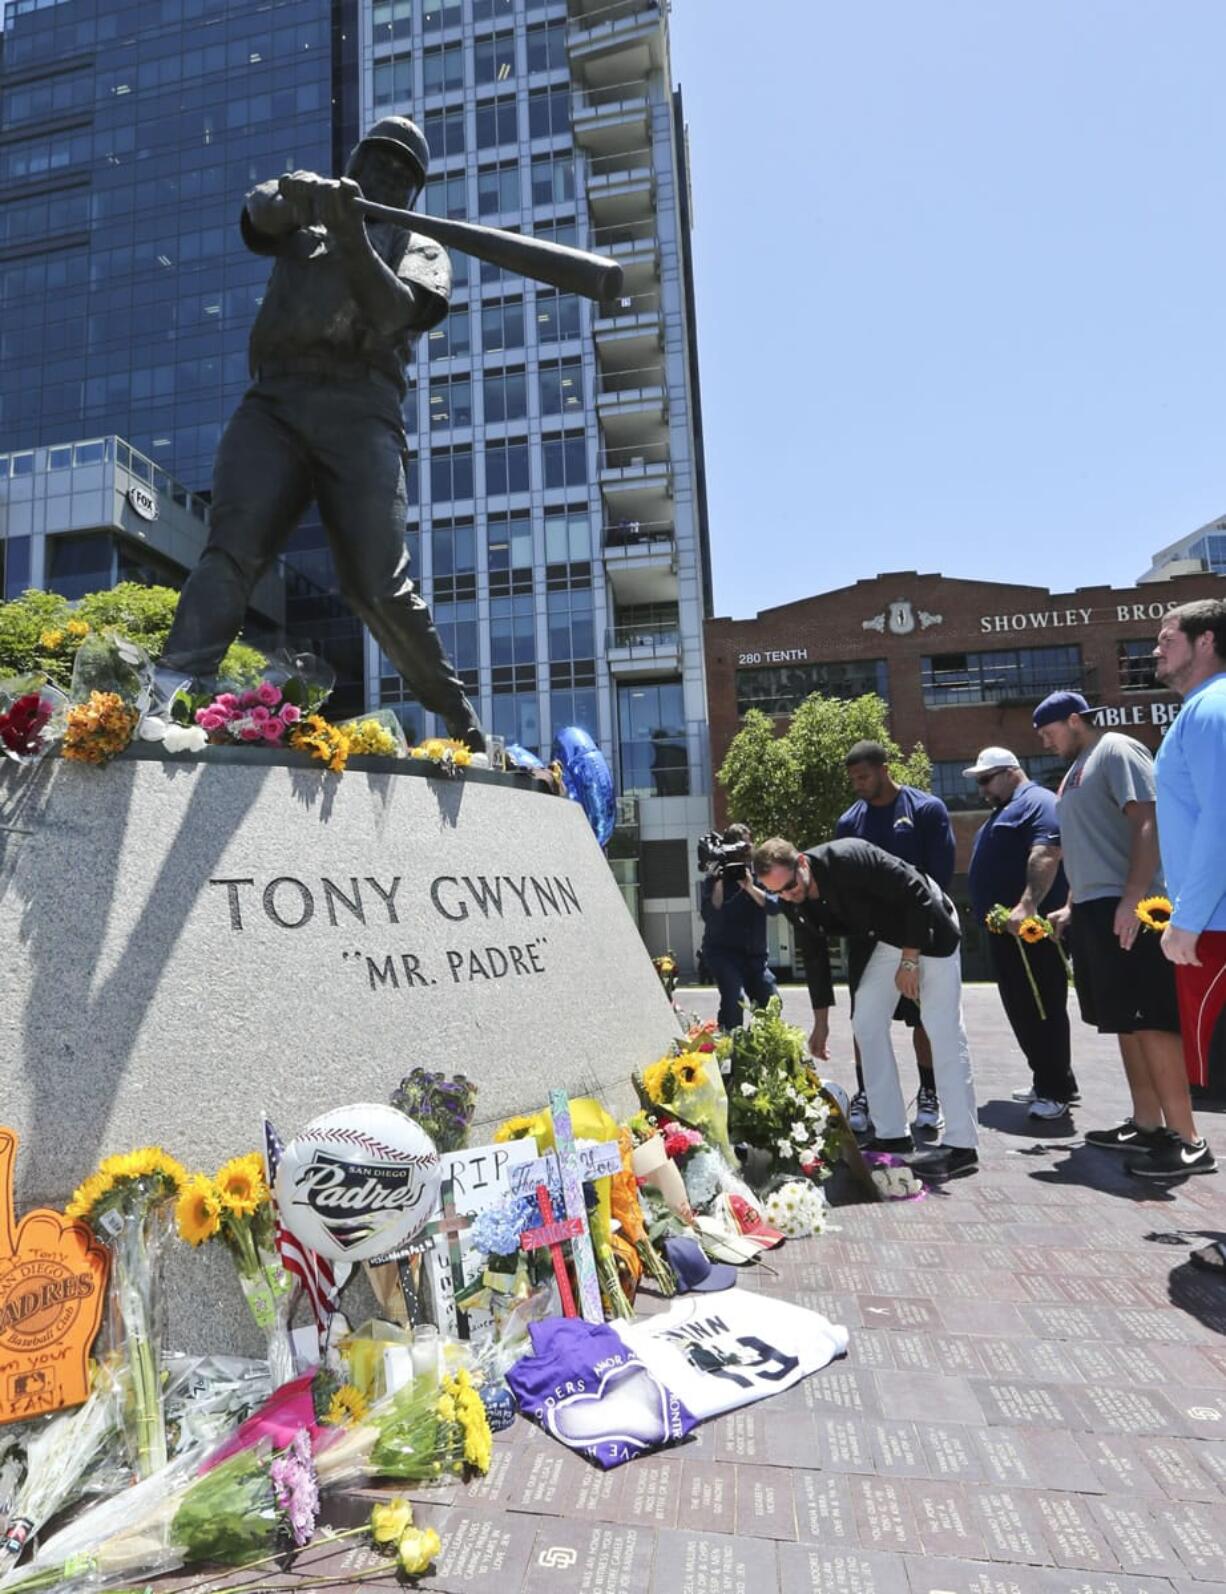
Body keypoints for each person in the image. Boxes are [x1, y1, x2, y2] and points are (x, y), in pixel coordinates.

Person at [159, 117, 484, 751]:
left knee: (378, 586)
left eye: (401, 173)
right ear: (356, 162)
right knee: (232, 549)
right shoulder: (307, 213)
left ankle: (458, 717)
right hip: (276, 403)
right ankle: (170, 686)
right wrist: (293, 194)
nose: (386, 175)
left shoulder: (423, 248)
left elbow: (391, 314)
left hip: (362, 412)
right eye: (378, 162)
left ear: (414, 192)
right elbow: (258, 213)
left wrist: (349, 231)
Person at [1032, 691, 1204, 1174]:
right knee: (1124, 1021)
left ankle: (1189, 1138)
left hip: (1133, 906)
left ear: (1073, 720)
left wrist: (1132, 897)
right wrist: (1069, 905)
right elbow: (1088, 846)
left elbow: (1148, 820)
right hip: (1094, 909)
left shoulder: (1117, 749)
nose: (1046, 743)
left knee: (1152, 1020)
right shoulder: (1074, 772)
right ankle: (1147, 1124)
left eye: (1049, 733)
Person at [753, 836, 978, 1180]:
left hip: (928, 923)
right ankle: (893, 1135)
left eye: (790, 886)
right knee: (866, 1022)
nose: (788, 896)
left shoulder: (850, 857)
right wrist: (821, 1023)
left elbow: (916, 890)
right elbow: (814, 956)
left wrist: (909, 961)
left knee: (941, 1027)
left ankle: (962, 1147)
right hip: (887, 937)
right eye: (778, 893)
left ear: (802, 862)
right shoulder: (790, 899)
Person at [835, 741, 956, 1137]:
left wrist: (915, 942)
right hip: (869, 939)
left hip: (918, 932)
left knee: (924, 1018)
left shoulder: (925, 810)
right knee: (864, 1020)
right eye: (853, 779)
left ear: (885, 769)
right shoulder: (848, 822)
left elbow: (937, 879)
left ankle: (929, 1093)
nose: (858, 785)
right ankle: (867, 1092)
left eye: (864, 776)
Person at [1148, 598, 1226, 1181]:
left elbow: (1221, 820)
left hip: (1215, 929)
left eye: (1165, 636)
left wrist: (1188, 918)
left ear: (1205, 641)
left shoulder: (1210, 711)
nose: (1155, 648)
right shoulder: (1204, 711)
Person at [964, 747, 1078, 1119]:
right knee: (1023, 1007)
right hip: (1006, 931)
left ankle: (1055, 1090)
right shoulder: (1007, 809)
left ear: (1011, 772)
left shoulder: (1038, 802)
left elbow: (1047, 853)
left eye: (986, 779)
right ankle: (1050, 1077)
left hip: (1031, 930)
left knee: (1041, 1007)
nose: (982, 789)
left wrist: (1027, 905)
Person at [699, 824, 781, 1031]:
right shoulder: (715, 877)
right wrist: (718, 881)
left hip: (755, 956)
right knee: (734, 999)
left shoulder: (759, 874)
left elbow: (773, 906)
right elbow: (710, 914)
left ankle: (763, 1047)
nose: (743, 855)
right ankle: (730, 1044)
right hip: (722, 953)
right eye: (737, 851)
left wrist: (750, 887)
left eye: (746, 848)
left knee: (771, 1001)